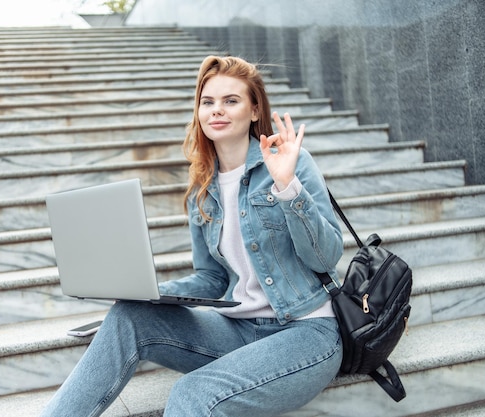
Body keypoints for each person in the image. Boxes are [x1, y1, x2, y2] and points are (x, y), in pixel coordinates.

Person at [41, 55, 344, 417]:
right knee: (129, 316)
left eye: (231, 101)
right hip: (238, 330)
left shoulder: (291, 163)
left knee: (192, 393)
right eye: (207, 102)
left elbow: (326, 259)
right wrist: (147, 293)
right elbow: (212, 278)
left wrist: (287, 186)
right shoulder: (204, 187)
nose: (217, 110)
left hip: (306, 332)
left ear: (253, 110)